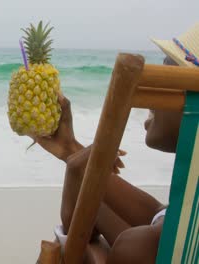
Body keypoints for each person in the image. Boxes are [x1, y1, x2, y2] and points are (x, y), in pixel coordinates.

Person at [33, 23, 198, 263]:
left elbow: (137, 238)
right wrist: (71, 152)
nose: (147, 90)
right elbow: (155, 215)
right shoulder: (184, 223)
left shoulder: (137, 248)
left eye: (166, 75)